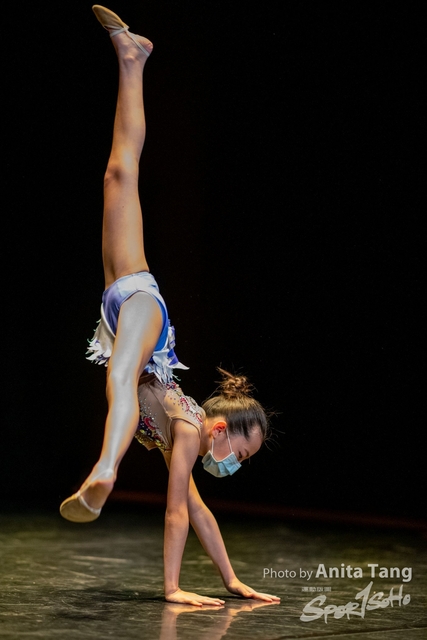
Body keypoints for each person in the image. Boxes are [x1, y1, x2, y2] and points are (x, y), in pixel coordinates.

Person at [60, 5, 280, 608]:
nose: (236, 464)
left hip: (119, 301)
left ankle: (132, 59)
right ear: (219, 430)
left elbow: (199, 512)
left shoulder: (182, 432)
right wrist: (173, 588)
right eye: (241, 454)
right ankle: (105, 469)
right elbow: (176, 510)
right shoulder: (186, 429)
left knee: (117, 173)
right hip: (141, 303)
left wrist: (231, 581)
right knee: (121, 379)